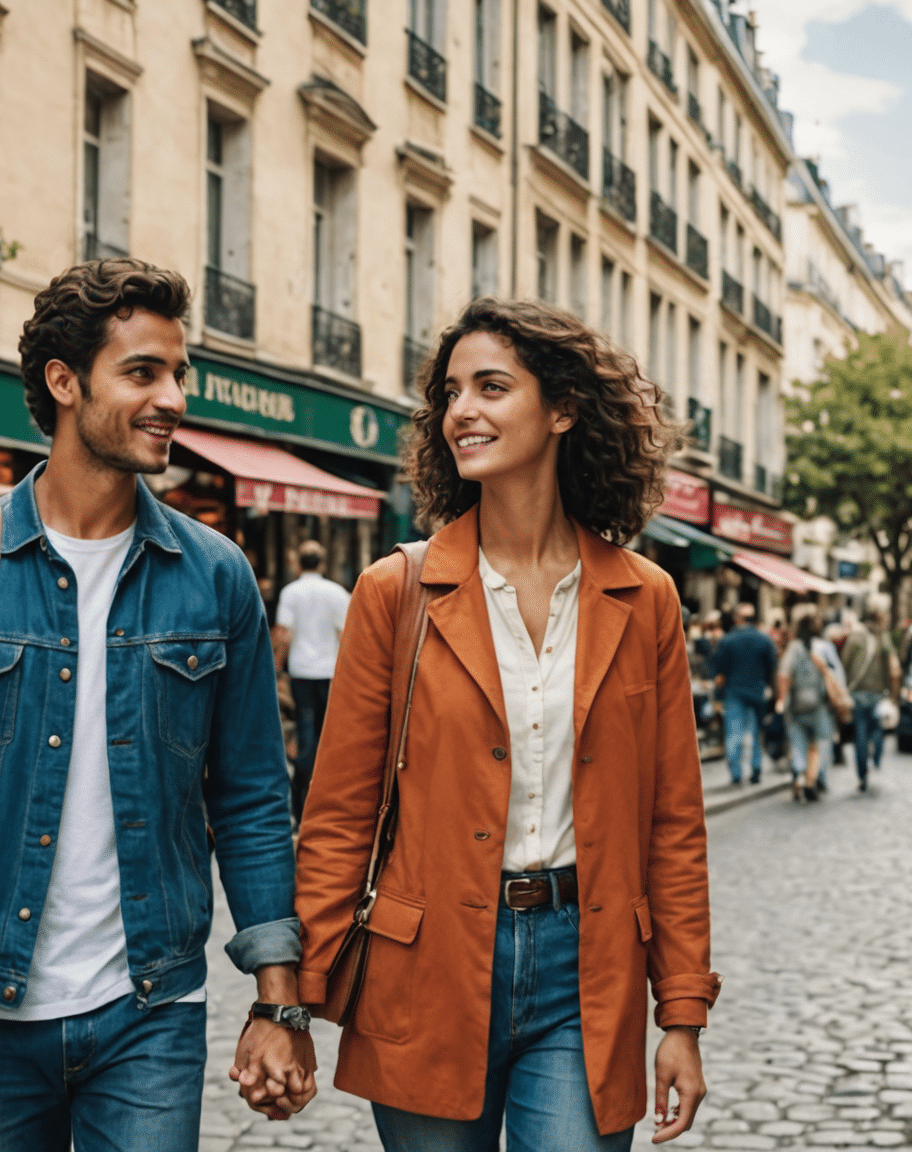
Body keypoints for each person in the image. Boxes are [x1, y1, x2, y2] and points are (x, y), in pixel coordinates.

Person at [0, 259, 313, 1150]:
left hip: (153, 1007)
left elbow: (250, 799)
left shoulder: (214, 577)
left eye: (178, 374)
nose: (172, 397)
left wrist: (279, 1001)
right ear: (64, 382)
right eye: (142, 372)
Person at [296, 297, 715, 1150]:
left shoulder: (645, 599)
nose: (463, 412)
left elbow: (673, 824)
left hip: (585, 966)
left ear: (562, 409)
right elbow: (338, 813)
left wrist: (681, 1012)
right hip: (428, 962)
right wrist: (289, 1001)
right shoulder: (395, 591)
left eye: (492, 386)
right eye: (451, 392)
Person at [275, 540, 351, 820]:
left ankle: (301, 801)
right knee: (328, 734)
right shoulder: (337, 593)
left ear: (299, 564)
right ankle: (325, 799)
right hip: (330, 673)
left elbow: (284, 634)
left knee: (307, 732)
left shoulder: (291, 592)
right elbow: (346, 637)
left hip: (302, 671)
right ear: (321, 564)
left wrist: (277, 666)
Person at [776, 613, 840, 803]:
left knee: (798, 743)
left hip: (796, 704)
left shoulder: (793, 648)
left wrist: (781, 698)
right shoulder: (823, 647)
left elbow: (784, 674)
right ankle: (814, 780)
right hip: (819, 705)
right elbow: (836, 673)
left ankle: (799, 774)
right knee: (818, 744)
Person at [712, 603, 777, 786]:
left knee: (734, 733)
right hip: (757, 692)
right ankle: (756, 769)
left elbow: (720, 667)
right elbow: (771, 668)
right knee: (756, 733)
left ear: (737, 619)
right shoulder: (764, 640)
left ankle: (736, 772)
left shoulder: (728, 640)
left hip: (735, 691)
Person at [840, 609, 900, 792]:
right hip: (877, 693)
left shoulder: (855, 637)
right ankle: (876, 757)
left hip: (857, 693)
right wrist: (893, 695)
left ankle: (862, 774)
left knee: (860, 732)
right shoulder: (883, 637)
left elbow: (844, 663)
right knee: (876, 728)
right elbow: (894, 667)